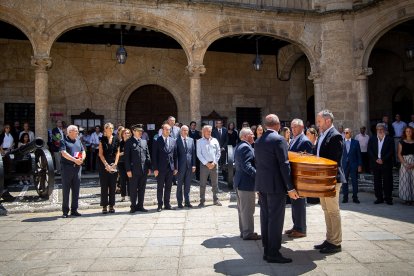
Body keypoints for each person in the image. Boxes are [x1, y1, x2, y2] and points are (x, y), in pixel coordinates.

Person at [255, 114, 299, 263]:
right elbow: (284, 164)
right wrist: (290, 187)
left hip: (262, 185)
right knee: (275, 219)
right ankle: (273, 253)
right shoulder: (279, 140)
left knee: (265, 217)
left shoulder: (259, 140)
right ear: (278, 125)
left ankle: (267, 250)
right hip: (275, 186)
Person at [313, 109, 345, 254]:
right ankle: (329, 239)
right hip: (322, 179)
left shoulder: (335, 136)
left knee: (333, 211)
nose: (317, 124)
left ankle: (336, 242)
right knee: (326, 210)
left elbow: (334, 160)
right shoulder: (322, 134)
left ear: (327, 121)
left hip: (331, 178)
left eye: (319, 121)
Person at [285, 119, 312, 239]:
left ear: (301, 127)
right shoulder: (294, 139)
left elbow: (307, 161)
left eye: (295, 127)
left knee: (300, 203)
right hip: (294, 175)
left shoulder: (305, 141)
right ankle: (296, 226)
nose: (292, 129)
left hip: (300, 177)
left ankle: (301, 229)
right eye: (291, 127)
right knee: (294, 203)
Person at [234, 127, 261, 240]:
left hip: (240, 182)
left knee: (242, 210)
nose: (254, 135)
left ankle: (244, 231)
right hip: (246, 183)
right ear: (244, 136)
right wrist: (259, 176)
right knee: (248, 210)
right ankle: (248, 233)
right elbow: (247, 166)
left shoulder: (240, 146)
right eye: (251, 134)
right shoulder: (246, 147)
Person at [60, 125, 86, 218]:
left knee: (76, 190)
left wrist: (82, 159)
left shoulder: (78, 140)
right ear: (70, 132)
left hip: (77, 168)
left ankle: (74, 210)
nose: (78, 132)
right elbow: (63, 153)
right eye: (76, 131)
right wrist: (74, 160)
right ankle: (65, 211)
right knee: (66, 190)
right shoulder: (63, 141)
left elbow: (83, 151)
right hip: (67, 168)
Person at [125, 124, 151, 213]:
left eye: (141, 131)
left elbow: (147, 156)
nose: (140, 133)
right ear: (133, 131)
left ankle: (140, 205)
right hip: (133, 170)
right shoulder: (129, 142)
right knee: (133, 189)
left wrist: (149, 168)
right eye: (138, 131)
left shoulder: (144, 142)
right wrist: (128, 170)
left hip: (143, 170)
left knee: (142, 189)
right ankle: (133, 206)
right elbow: (127, 158)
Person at [152, 123, 177, 212]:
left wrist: (175, 168)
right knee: (160, 187)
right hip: (160, 169)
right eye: (166, 129)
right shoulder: (157, 140)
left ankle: (167, 204)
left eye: (169, 130)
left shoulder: (173, 140)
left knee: (169, 187)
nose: (168, 131)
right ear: (162, 130)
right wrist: (155, 169)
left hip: (170, 168)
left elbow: (175, 156)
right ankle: (159, 205)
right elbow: (154, 156)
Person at [368, 123, 394, 205]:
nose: (380, 130)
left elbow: (391, 151)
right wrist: (376, 159)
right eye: (378, 129)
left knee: (388, 181)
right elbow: (370, 150)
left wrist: (383, 159)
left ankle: (388, 198)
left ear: (385, 130)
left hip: (386, 163)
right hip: (375, 163)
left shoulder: (389, 139)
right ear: (376, 130)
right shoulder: (372, 139)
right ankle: (379, 198)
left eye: (381, 129)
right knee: (377, 181)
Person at [197, 125, 222, 207]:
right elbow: (199, 154)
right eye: (207, 131)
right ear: (203, 132)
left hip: (214, 165)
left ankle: (216, 200)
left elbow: (218, 152)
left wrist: (214, 162)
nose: (209, 132)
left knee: (215, 184)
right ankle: (202, 201)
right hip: (204, 165)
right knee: (202, 184)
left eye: (210, 131)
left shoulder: (215, 140)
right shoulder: (199, 141)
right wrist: (206, 163)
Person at [98, 123, 120, 214]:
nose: (111, 130)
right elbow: (100, 154)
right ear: (105, 129)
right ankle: (104, 206)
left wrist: (115, 164)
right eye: (109, 128)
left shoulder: (116, 139)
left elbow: (118, 153)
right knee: (104, 186)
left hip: (113, 163)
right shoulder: (102, 140)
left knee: (112, 186)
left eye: (112, 128)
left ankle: (111, 205)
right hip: (104, 164)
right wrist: (106, 164)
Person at [176, 125, 196, 208]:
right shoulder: (176, 140)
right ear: (181, 131)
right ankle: (180, 203)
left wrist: (194, 165)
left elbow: (193, 153)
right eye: (184, 130)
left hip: (189, 166)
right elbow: (175, 155)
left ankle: (187, 202)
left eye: (186, 130)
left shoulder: (191, 140)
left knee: (187, 185)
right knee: (180, 185)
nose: (185, 132)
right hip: (180, 167)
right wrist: (176, 167)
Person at [341, 128, 362, 203]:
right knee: (344, 182)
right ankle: (345, 197)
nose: (345, 134)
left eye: (347, 132)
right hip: (344, 165)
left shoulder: (356, 142)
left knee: (354, 181)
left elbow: (359, 155)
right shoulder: (341, 142)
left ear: (350, 133)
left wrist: (360, 165)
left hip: (353, 165)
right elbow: (339, 155)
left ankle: (355, 197)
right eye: (344, 132)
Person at [398, 126, 414, 205]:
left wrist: (413, 164)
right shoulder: (401, 142)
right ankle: (407, 199)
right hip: (405, 162)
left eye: (410, 131)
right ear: (405, 132)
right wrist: (405, 164)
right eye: (407, 131)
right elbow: (399, 154)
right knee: (406, 181)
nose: (408, 132)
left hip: (413, 162)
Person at [118, 128, 131, 202]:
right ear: (122, 134)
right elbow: (116, 154)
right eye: (125, 133)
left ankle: (130, 195)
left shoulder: (131, 142)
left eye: (128, 133)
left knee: (130, 179)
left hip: (130, 163)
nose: (126, 134)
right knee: (123, 180)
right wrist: (122, 153)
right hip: (121, 163)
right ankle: (123, 195)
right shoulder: (119, 143)